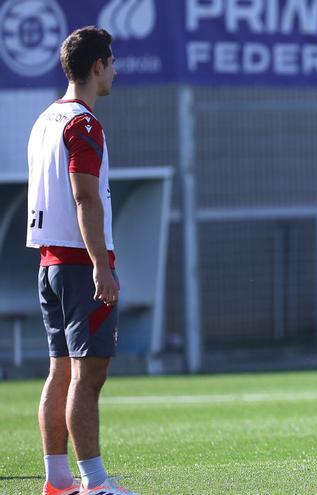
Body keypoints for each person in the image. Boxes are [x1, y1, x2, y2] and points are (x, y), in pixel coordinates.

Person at [27, 26, 140, 495]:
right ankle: (95, 483)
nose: (115, 69)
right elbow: (85, 198)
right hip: (78, 265)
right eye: (111, 61)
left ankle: (58, 479)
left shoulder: (45, 119)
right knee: (89, 375)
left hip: (49, 264)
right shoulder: (83, 122)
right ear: (97, 66)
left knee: (60, 371)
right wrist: (101, 264)